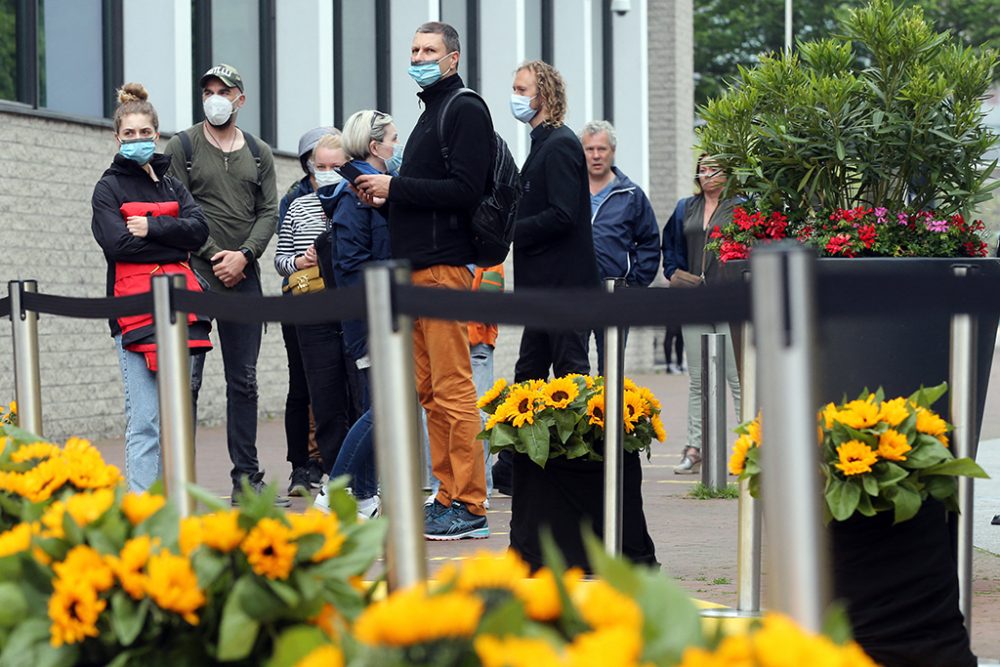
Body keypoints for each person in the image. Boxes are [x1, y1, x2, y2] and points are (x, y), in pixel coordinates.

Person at [354, 21, 491, 541]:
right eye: (414, 49)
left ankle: (471, 504)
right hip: (416, 271)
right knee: (431, 392)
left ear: (452, 58)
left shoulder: (465, 109)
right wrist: (388, 196)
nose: (419, 56)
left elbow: (465, 189)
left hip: (442, 270)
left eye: (430, 50)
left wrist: (397, 184)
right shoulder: (430, 113)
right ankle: (448, 495)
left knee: (454, 390)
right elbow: (425, 194)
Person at [164, 63, 286, 506]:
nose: (215, 98)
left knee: (245, 382)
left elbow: (268, 211)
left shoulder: (259, 152)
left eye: (224, 91)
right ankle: (180, 478)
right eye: (208, 91)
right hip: (196, 271)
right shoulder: (182, 145)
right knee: (187, 381)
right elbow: (179, 204)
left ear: (241, 99)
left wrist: (245, 255)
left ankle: (246, 478)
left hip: (244, 276)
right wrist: (217, 253)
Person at [91, 82, 211, 492]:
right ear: (117, 137)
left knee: (177, 416)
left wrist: (152, 226)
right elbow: (117, 244)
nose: (139, 140)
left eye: (146, 133)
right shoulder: (107, 188)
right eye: (130, 134)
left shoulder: (172, 183)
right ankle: (143, 510)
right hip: (133, 316)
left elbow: (199, 232)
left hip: (183, 310)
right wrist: (171, 241)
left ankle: (177, 503)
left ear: (156, 134)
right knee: (145, 421)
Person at [313, 110, 399, 521]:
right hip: (370, 317)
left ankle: (363, 495)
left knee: (375, 404)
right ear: (375, 144)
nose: (397, 148)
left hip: (379, 314)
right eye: (393, 140)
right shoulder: (355, 194)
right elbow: (351, 262)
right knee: (385, 408)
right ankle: (336, 489)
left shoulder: (375, 191)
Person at [509, 60, 600, 382]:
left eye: (521, 90)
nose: (514, 97)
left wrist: (512, 230)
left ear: (543, 95)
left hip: (564, 289)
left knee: (571, 378)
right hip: (544, 288)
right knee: (528, 377)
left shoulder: (559, 145)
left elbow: (563, 214)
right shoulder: (544, 144)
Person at [274, 133, 352, 497]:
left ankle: (361, 475)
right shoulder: (297, 206)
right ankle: (326, 473)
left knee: (356, 393)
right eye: (319, 167)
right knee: (318, 393)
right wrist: (300, 261)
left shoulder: (358, 202)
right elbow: (280, 260)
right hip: (309, 309)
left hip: (351, 309)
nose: (327, 173)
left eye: (335, 167)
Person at [661, 155, 742, 474]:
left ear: (728, 172)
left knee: (736, 378)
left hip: (729, 300)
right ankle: (696, 448)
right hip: (694, 298)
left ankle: (749, 445)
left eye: (714, 167)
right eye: (703, 167)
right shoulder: (686, 207)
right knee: (699, 378)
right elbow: (670, 246)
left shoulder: (741, 207)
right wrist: (673, 273)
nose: (707, 173)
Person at [580, 119, 660, 375]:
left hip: (614, 292)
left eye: (601, 149)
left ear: (612, 151)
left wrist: (634, 284)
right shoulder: (570, 190)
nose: (595, 155)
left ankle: (610, 415)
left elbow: (649, 241)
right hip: (575, 290)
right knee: (573, 370)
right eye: (589, 149)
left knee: (611, 369)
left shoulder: (631, 195)